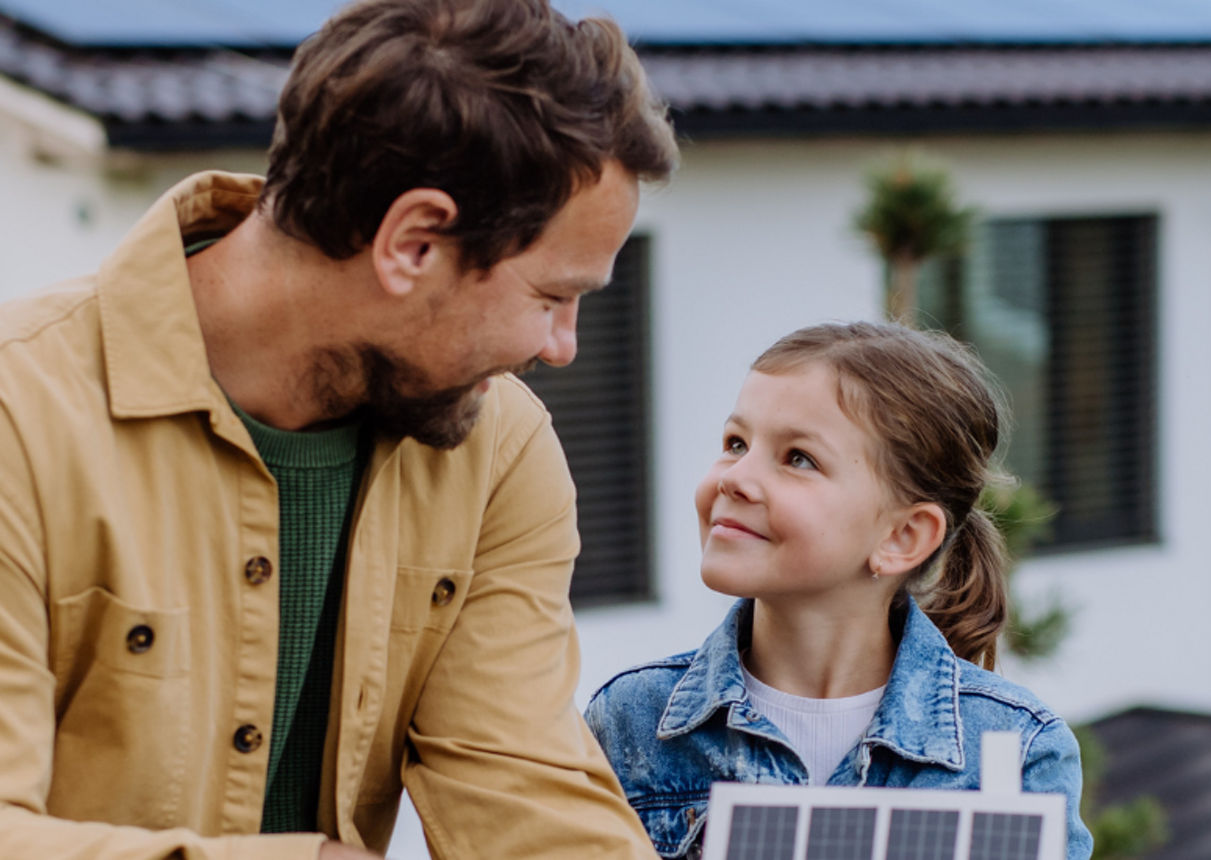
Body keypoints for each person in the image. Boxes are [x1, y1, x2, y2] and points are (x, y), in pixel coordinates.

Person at [0, 0, 677, 857]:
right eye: (551, 297)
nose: (564, 347)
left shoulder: (500, 451)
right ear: (413, 242)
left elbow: (524, 795)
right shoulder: (17, 417)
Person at [585, 322, 1094, 860]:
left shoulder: (1017, 749)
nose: (734, 477)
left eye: (798, 458)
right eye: (736, 443)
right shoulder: (630, 720)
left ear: (902, 537)